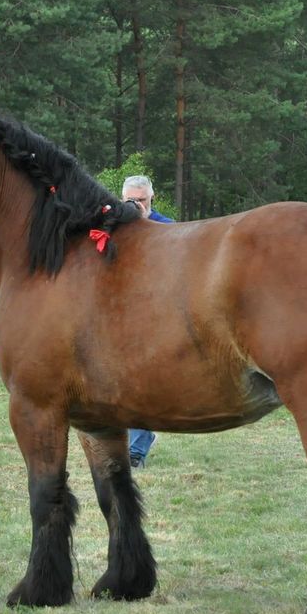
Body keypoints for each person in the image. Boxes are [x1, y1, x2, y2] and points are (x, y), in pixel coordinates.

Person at [121, 175, 174, 467]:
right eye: (130, 200)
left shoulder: (167, 227)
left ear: (152, 199)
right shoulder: (112, 226)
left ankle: (136, 451)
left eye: (140, 200)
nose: (135, 205)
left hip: (157, 315)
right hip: (121, 315)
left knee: (141, 381)